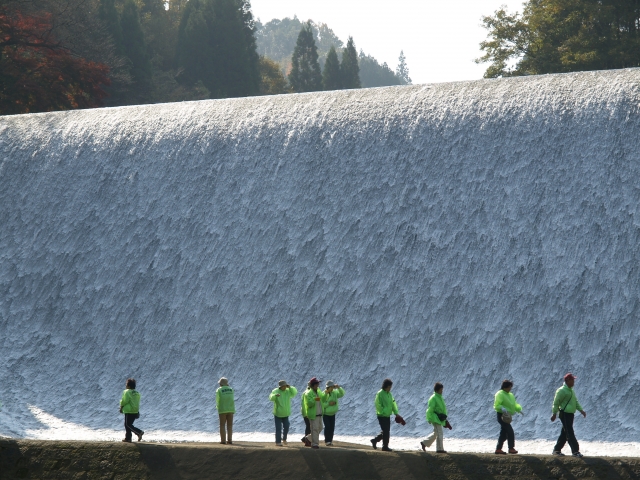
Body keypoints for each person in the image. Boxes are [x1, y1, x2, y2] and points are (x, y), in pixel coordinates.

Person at [551, 373, 586, 457]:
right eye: (572, 380)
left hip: (571, 414)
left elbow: (575, 402)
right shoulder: (561, 390)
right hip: (564, 414)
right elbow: (556, 403)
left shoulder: (571, 391)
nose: (574, 382)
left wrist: (581, 410)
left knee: (564, 433)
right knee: (569, 432)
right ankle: (575, 451)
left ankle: (556, 450)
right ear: (568, 381)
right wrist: (554, 413)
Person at [493, 379, 523, 454]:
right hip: (501, 415)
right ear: (504, 387)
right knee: (510, 431)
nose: (510, 389)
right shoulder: (500, 394)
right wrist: (502, 408)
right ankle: (511, 448)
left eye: (511, 387)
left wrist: (518, 409)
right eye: (509, 387)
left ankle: (498, 449)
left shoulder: (510, 395)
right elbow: (497, 405)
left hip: (508, 416)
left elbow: (514, 404)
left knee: (503, 434)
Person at [371, 378, 400, 452]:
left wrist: (396, 413)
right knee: (386, 431)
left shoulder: (390, 394)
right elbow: (377, 404)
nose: (390, 388)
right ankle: (385, 446)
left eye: (390, 387)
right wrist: (383, 411)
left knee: (386, 431)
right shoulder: (380, 393)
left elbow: (393, 404)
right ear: (385, 386)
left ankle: (375, 440)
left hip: (387, 416)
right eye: (389, 387)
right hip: (381, 415)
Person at [421, 382, 450, 453]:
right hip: (435, 418)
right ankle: (440, 449)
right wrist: (429, 418)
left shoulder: (440, 397)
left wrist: (445, 420)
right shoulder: (433, 398)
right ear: (437, 390)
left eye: (442, 390)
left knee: (436, 433)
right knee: (440, 433)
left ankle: (424, 443)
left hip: (439, 419)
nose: (442, 391)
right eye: (441, 390)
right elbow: (430, 409)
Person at [269, 380, 297, 446]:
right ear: (280, 387)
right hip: (278, 414)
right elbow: (271, 397)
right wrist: (275, 396)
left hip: (286, 414)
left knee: (287, 426)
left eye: (285, 386)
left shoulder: (288, 391)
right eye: (283, 386)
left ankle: (284, 439)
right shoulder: (276, 391)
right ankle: (278, 442)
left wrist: (290, 387)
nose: (284, 387)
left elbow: (295, 392)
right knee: (278, 428)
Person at [304, 377, 326, 449]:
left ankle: (308, 438)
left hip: (319, 413)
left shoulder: (318, 391)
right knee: (315, 429)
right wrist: (314, 400)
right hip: (314, 414)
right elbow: (309, 404)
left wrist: (326, 393)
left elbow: (323, 398)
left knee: (320, 427)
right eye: (317, 384)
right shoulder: (308, 393)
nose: (318, 385)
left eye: (318, 384)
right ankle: (314, 444)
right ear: (313, 385)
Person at [119, 378, 143, 443]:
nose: (125, 385)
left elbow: (124, 401)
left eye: (126, 384)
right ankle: (128, 438)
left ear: (129, 386)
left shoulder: (126, 391)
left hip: (128, 410)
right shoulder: (137, 393)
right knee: (128, 424)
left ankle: (139, 432)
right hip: (135, 410)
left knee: (127, 424)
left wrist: (121, 407)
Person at [322, 380, 345, 446]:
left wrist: (338, 388)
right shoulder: (324, 393)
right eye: (331, 387)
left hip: (333, 413)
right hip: (326, 414)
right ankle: (327, 441)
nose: (332, 388)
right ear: (328, 387)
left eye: (333, 387)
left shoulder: (334, 393)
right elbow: (322, 404)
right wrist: (329, 404)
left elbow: (342, 394)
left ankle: (330, 440)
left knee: (332, 427)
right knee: (327, 426)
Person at [216, 377, 235, 445]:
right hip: (231, 409)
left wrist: (217, 407)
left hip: (222, 409)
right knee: (229, 426)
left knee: (222, 425)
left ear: (221, 383)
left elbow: (217, 400)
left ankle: (223, 440)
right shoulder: (231, 389)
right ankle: (229, 440)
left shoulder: (219, 390)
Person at [300, 382, 311, 447]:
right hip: (307, 412)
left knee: (309, 426)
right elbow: (304, 404)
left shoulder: (308, 392)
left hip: (306, 412)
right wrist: (306, 413)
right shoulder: (307, 393)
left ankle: (306, 439)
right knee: (309, 426)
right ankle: (306, 439)